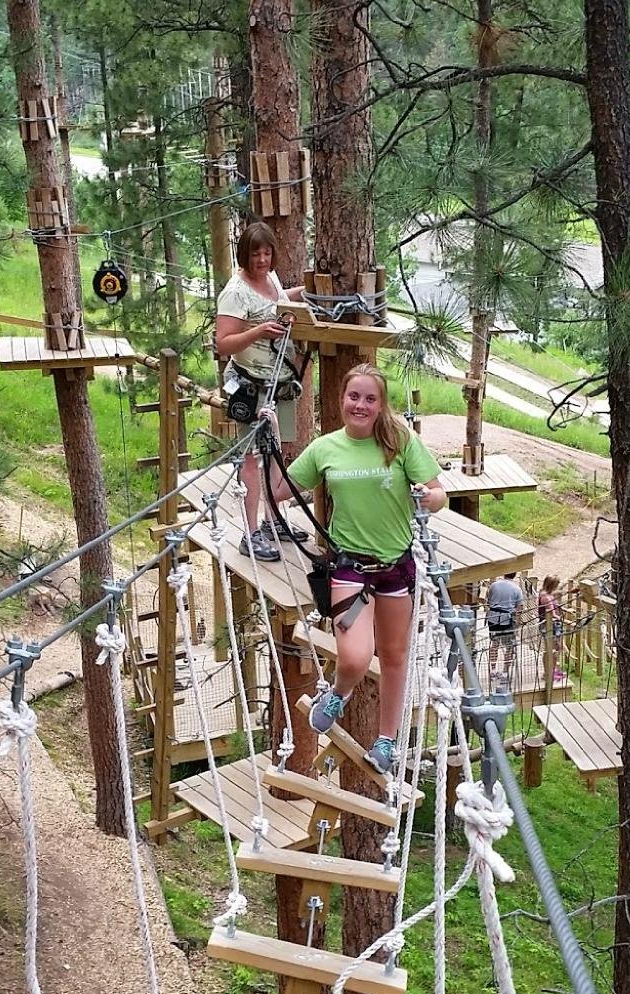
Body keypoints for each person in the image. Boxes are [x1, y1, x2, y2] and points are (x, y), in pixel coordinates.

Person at [265, 363, 446, 774]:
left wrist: (428, 499)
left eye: (369, 399)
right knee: (355, 658)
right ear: (342, 400)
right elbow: (280, 492)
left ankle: (387, 740)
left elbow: (439, 493)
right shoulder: (326, 448)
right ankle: (338, 693)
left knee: (396, 656)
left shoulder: (400, 441)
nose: (360, 405)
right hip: (349, 567)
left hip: (395, 566)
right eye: (354, 397)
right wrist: (271, 443)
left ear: (381, 406)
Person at [215, 221, 308, 561]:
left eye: (267, 253)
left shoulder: (271, 280)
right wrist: (257, 333)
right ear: (245, 255)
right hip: (251, 385)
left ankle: (273, 520)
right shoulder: (235, 292)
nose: (262, 259)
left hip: (279, 383)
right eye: (256, 254)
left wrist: (305, 293)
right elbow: (223, 342)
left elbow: (281, 301)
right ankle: (250, 532)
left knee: (277, 452)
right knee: (253, 458)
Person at [485, 572, 523, 685]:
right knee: (509, 646)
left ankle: (493, 669)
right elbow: (520, 608)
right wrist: (518, 621)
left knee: (494, 643)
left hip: (493, 618)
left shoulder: (494, 585)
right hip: (507, 619)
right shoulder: (517, 589)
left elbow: (488, 600)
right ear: (515, 575)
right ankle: (505, 672)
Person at [537, 574, 568, 683]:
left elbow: (557, 593)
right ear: (552, 585)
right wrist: (562, 618)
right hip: (549, 625)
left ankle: (553, 670)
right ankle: (548, 673)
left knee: (556, 648)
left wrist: (568, 592)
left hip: (553, 625)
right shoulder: (545, 597)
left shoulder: (546, 593)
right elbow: (551, 613)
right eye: (556, 584)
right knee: (551, 649)